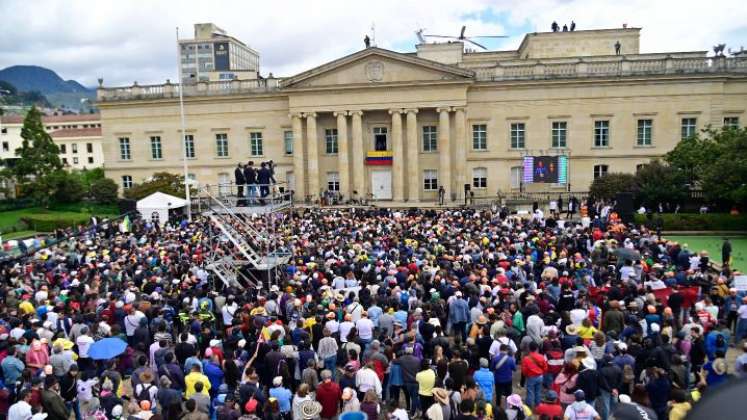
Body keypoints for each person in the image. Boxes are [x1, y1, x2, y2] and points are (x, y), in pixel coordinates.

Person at [520, 342, 547, 408]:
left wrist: (527, 375)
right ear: (537, 348)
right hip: (540, 376)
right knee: (538, 391)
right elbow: (545, 367)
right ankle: (537, 405)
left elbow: (524, 370)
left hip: (531, 377)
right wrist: (541, 372)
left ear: (529, 348)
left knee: (530, 392)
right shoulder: (541, 357)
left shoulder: (526, 358)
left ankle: (529, 406)